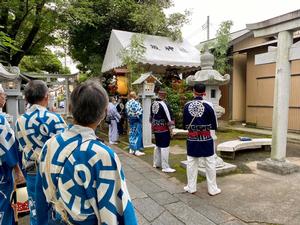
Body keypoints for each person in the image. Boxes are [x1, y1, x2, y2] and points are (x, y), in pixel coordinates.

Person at [35, 80, 137, 225]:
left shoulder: (49, 145)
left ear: (70, 108)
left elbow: (40, 197)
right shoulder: (102, 154)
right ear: (103, 113)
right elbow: (118, 209)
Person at [15, 80, 66, 225]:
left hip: (32, 171)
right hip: (54, 172)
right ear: (46, 96)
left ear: (26, 98)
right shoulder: (55, 118)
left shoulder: (20, 121)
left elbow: (20, 147)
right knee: (57, 209)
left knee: (36, 211)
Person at [183, 83, 221, 196]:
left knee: (191, 163)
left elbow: (185, 124)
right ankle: (212, 189)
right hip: (206, 139)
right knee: (210, 163)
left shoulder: (187, 105)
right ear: (204, 92)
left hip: (192, 139)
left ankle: (191, 187)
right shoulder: (209, 105)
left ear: (193, 91)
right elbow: (214, 124)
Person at [0, 84, 24, 225]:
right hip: (4, 169)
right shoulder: (1, 120)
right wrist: (18, 170)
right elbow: (7, 148)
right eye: (3, 94)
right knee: (6, 202)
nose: (5, 97)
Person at [150, 90, 176, 173]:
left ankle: (156, 163)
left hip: (156, 128)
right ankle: (165, 166)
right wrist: (171, 129)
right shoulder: (164, 105)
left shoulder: (153, 103)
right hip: (164, 129)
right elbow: (169, 118)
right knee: (165, 147)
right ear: (164, 96)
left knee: (157, 146)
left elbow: (151, 117)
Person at [125, 91, 144, 156]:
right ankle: (136, 150)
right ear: (134, 96)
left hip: (130, 120)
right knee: (137, 135)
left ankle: (131, 149)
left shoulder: (127, 103)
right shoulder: (136, 103)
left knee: (132, 133)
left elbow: (127, 112)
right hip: (136, 120)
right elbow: (140, 112)